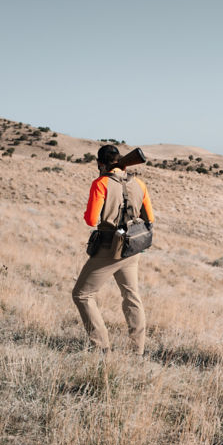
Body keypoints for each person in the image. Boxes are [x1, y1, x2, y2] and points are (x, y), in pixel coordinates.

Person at [71, 144, 155, 354]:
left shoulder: (101, 183)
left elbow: (91, 220)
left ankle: (101, 348)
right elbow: (150, 219)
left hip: (109, 248)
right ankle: (137, 350)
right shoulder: (139, 183)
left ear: (100, 163)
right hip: (132, 247)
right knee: (131, 296)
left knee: (81, 295)